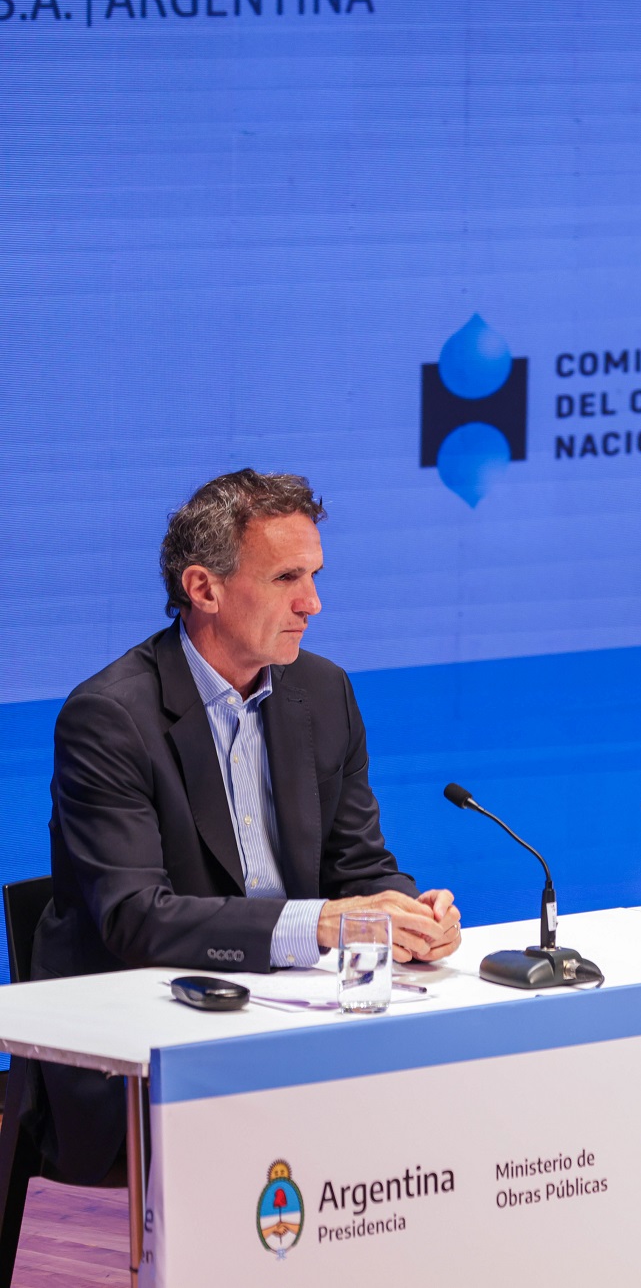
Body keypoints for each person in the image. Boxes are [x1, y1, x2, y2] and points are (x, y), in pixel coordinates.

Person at [34, 469, 462, 1183]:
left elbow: (360, 867)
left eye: (315, 574)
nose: (313, 603)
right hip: (158, 1037)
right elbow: (137, 918)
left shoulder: (324, 692)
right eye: (287, 577)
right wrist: (322, 923)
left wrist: (407, 913)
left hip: (298, 1022)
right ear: (203, 588)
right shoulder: (110, 718)